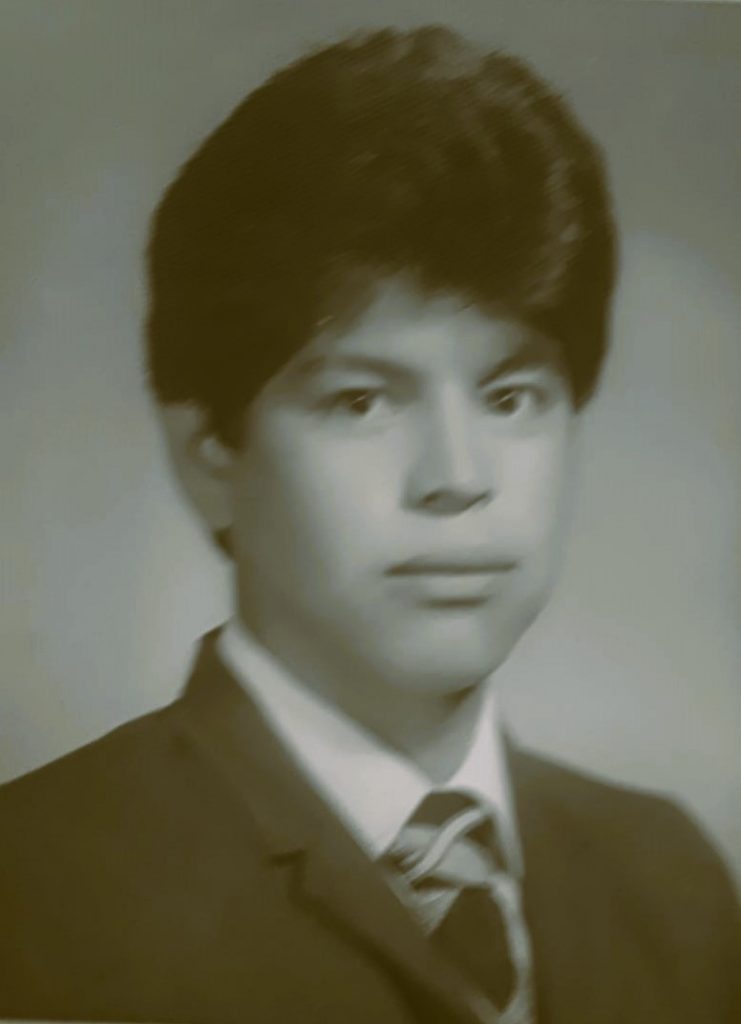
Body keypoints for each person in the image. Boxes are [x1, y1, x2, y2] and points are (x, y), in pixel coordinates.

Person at [1, 25, 738, 1024]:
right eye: (361, 401)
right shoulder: (35, 888)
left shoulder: (671, 886)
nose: (457, 479)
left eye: (511, 397)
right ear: (210, 454)